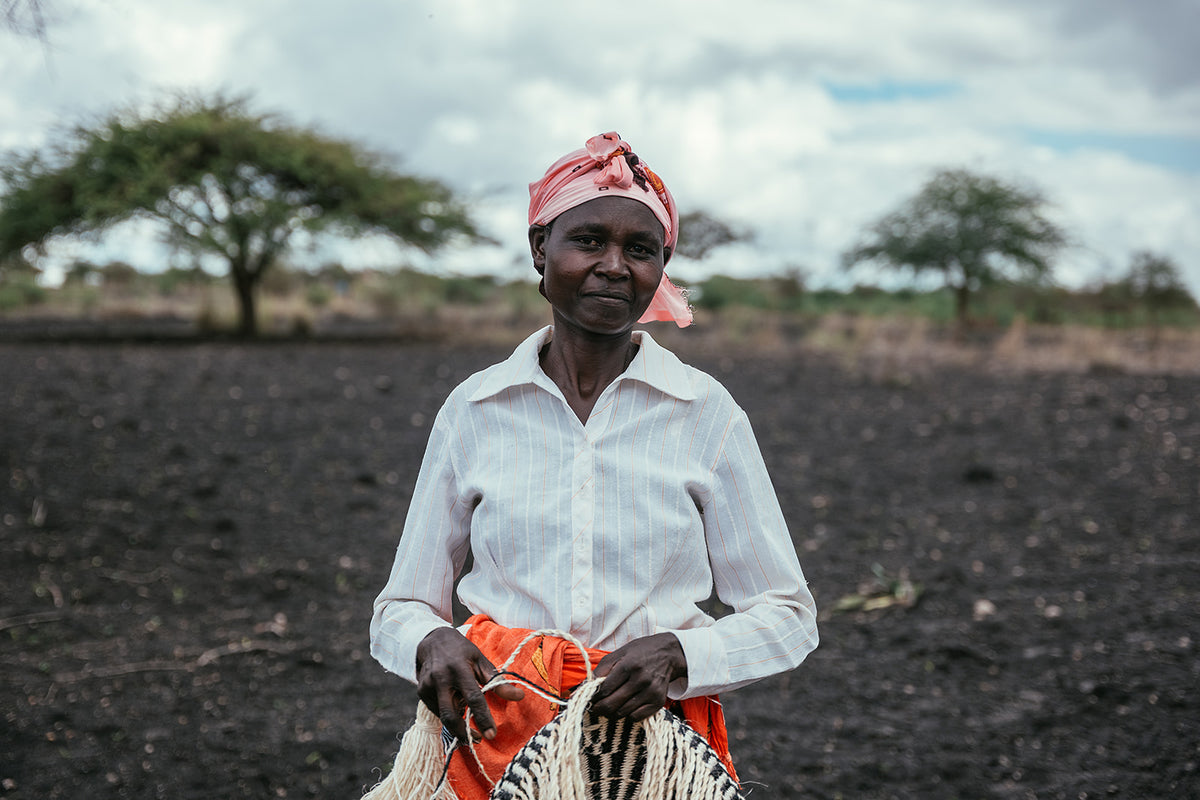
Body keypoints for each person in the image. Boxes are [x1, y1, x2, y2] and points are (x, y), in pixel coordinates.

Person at [370, 132, 818, 798]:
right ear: (539, 250)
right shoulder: (475, 409)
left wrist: (680, 657)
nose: (614, 266)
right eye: (588, 241)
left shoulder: (705, 414)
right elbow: (401, 606)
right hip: (494, 737)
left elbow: (787, 614)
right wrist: (428, 643)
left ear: (659, 270)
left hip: (647, 750)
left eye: (640, 250)